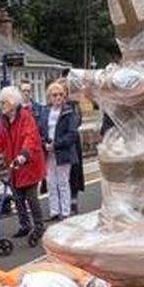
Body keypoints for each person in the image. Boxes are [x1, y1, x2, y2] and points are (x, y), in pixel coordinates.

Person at [0, 85, 46, 239]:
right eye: (0, 103)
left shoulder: (26, 117)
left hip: (28, 164)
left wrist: (23, 155)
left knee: (31, 197)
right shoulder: (4, 120)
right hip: (14, 165)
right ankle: (25, 225)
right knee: (17, 197)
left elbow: (31, 138)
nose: (1, 106)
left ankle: (39, 226)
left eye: (3, 103)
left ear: (13, 103)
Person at [39, 81, 79, 221]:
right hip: (48, 152)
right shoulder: (44, 112)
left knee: (63, 182)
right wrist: (44, 143)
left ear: (64, 96)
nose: (58, 97)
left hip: (63, 152)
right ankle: (54, 211)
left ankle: (66, 211)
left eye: (61, 94)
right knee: (50, 182)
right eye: (54, 95)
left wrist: (56, 145)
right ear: (49, 97)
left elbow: (72, 134)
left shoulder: (69, 112)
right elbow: (40, 131)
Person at [57, 74, 86, 214]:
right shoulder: (52, 108)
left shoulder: (73, 106)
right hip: (58, 144)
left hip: (72, 144)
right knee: (60, 176)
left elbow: (77, 122)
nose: (59, 96)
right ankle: (61, 203)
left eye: (62, 92)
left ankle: (73, 201)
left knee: (73, 173)